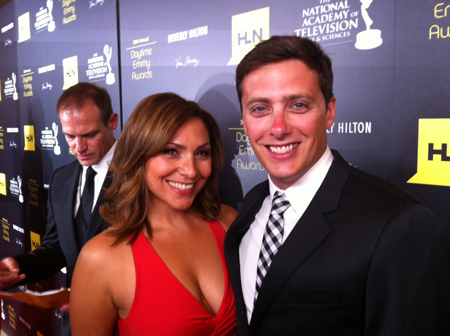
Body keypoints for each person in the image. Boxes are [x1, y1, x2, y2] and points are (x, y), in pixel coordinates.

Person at [224, 35, 450, 336]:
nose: (278, 128)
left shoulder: (400, 224)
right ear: (244, 119)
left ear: (329, 112)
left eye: (298, 105)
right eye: (260, 109)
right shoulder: (253, 204)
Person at [70, 93, 238, 336]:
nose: (190, 171)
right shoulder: (100, 258)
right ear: (139, 155)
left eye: (202, 153)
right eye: (171, 151)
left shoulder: (229, 222)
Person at [0, 82, 118, 336]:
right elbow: (55, 249)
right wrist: (19, 266)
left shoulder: (141, 176)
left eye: (89, 135)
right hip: (75, 322)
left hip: (128, 323)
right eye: (70, 136)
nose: (78, 147)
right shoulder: (61, 179)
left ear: (112, 122)